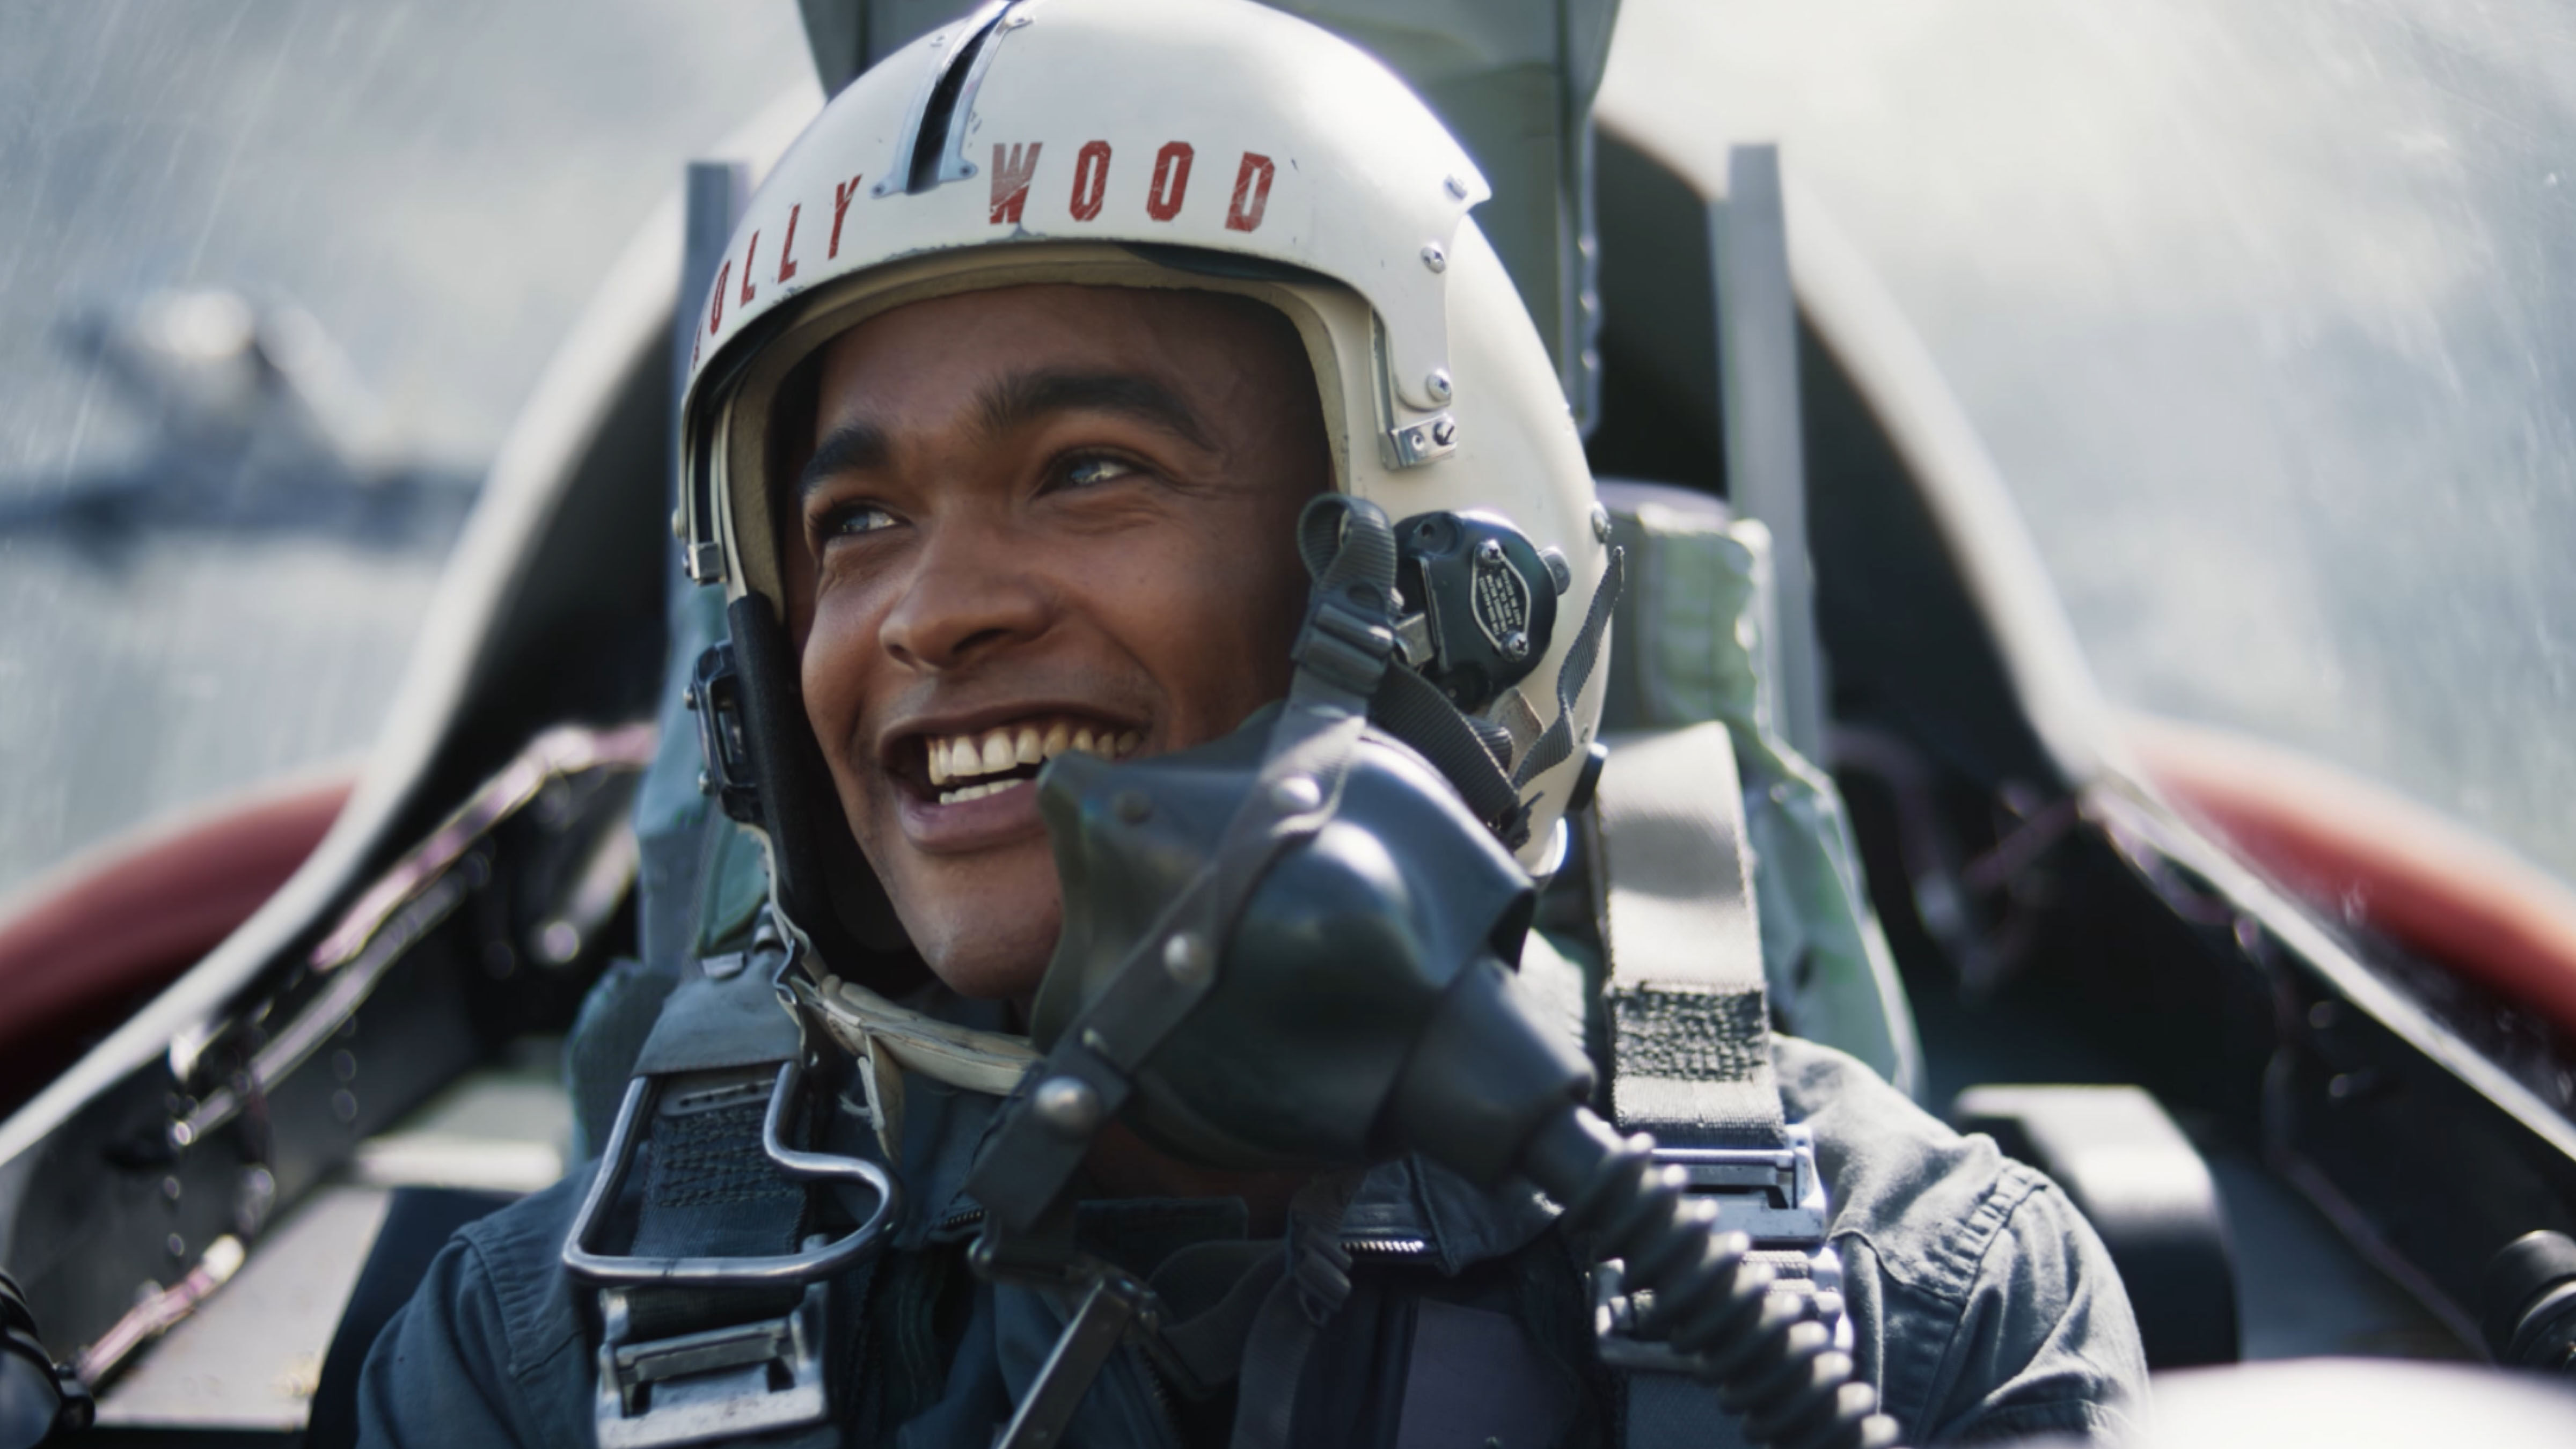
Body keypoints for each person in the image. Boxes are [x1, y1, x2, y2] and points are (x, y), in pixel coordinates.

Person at [356, 2, 2147, 1444]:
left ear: (1453, 600)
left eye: (1088, 471)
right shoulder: (531, 1366)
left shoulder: (1914, 1305)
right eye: (857, 522)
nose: (926, 609)